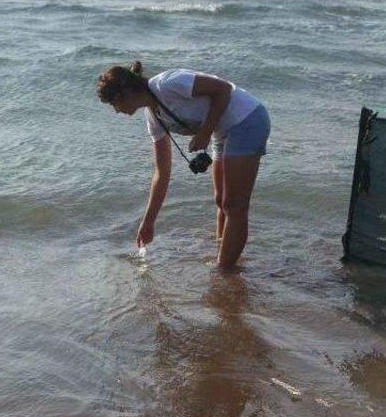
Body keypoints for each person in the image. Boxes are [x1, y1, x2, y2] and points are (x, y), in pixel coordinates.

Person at [96, 61, 270, 269]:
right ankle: (223, 255)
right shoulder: (153, 117)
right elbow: (161, 173)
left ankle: (224, 271)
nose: (116, 111)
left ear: (125, 93)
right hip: (222, 131)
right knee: (220, 200)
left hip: (247, 119)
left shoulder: (168, 83)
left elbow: (223, 89)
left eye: (114, 104)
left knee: (234, 204)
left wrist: (205, 132)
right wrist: (149, 222)